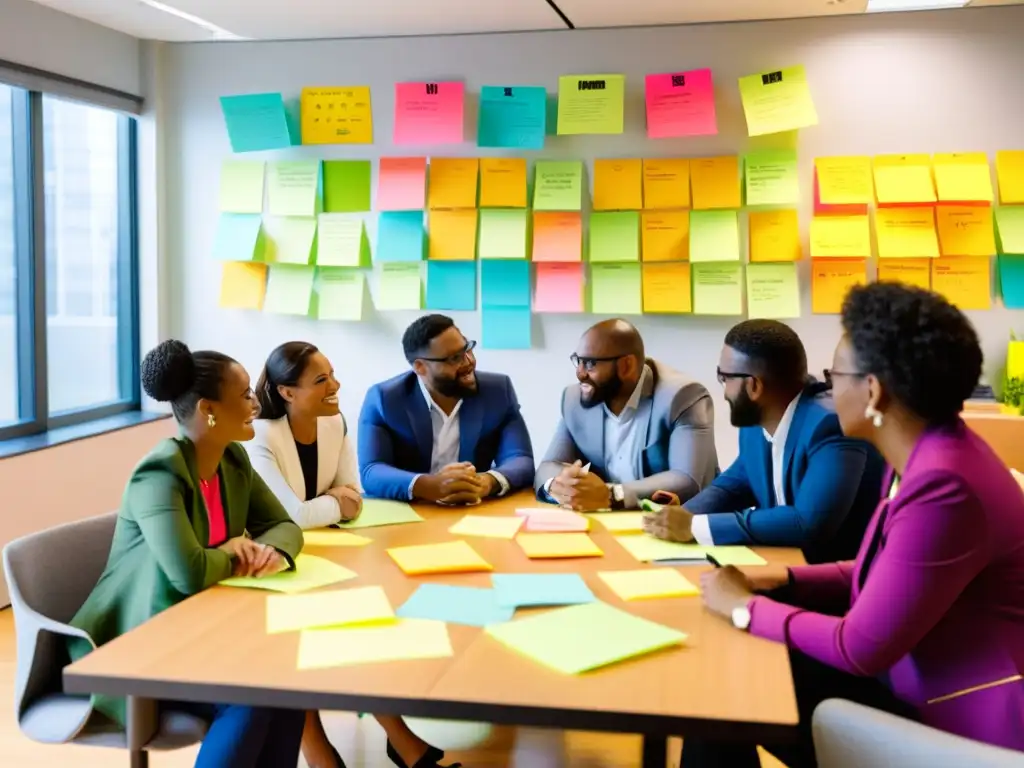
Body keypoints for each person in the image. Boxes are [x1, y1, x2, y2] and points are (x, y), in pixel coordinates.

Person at [689, 283, 1024, 767]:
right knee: (729, 672)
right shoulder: (927, 453)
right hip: (912, 673)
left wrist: (743, 608)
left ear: (873, 391)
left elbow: (859, 648)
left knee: (728, 684)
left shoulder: (945, 486)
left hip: (954, 720)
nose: (825, 389)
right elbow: (879, 572)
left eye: (833, 375)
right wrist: (781, 579)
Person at [66, 340, 306, 767]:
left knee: (286, 681)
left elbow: (285, 525)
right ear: (208, 411)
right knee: (249, 698)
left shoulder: (232, 459)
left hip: (206, 627)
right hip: (141, 643)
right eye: (245, 394)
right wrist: (232, 553)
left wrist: (269, 550)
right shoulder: (159, 474)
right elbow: (188, 573)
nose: (256, 402)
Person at [247, 341, 458, 768]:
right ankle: (321, 746)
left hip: (324, 554)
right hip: (271, 565)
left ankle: (399, 738)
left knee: (364, 623)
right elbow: (292, 517)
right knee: (304, 638)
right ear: (287, 393)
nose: (336, 386)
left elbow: (353, 496)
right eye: (321, 380)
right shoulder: (261, 436)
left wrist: (329, 506)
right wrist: (330, 505)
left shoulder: (333, 422)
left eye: (333, 374)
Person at [643, 319, 883, 564]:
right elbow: (734, 485)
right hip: (778, 564)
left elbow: (808, 523)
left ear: (754, 386)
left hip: (836, 584)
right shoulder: (758, 423)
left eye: (724, 378)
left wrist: (696, 526)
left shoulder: (830, 425)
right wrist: (682, 514)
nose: (724, 391)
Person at [534, 319, 718, 512]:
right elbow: (548, 466)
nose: (580, 373)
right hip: (610, 521)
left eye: (590, 363)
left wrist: (611, 495)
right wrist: (558, 485)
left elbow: (686, 479)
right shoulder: (575, 399)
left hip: (682, 520)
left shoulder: (683, 397)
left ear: (626, 366)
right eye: (578, 360)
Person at [358, 314, 534, 503]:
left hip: (473, 509)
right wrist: (430, 485)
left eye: (467, 349)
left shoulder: (497, 390)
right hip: (412, 510)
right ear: (420, 367)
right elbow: (372, 470)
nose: (468, 362)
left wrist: (487, 481)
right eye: (454, 358)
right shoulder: (385, 398)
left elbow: (520, 459)